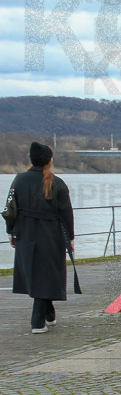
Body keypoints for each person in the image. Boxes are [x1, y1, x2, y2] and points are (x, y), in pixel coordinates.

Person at [6, 142, 75, 333]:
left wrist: (12, 232)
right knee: (48, 274)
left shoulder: (19, 180)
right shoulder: (57, 183)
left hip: (25, 234)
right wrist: (69, 237)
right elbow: (66, 212)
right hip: (51, 235)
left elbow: (9, 209)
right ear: (49, 160)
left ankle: (49, 313)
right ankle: (37, 321)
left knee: (37, 274)